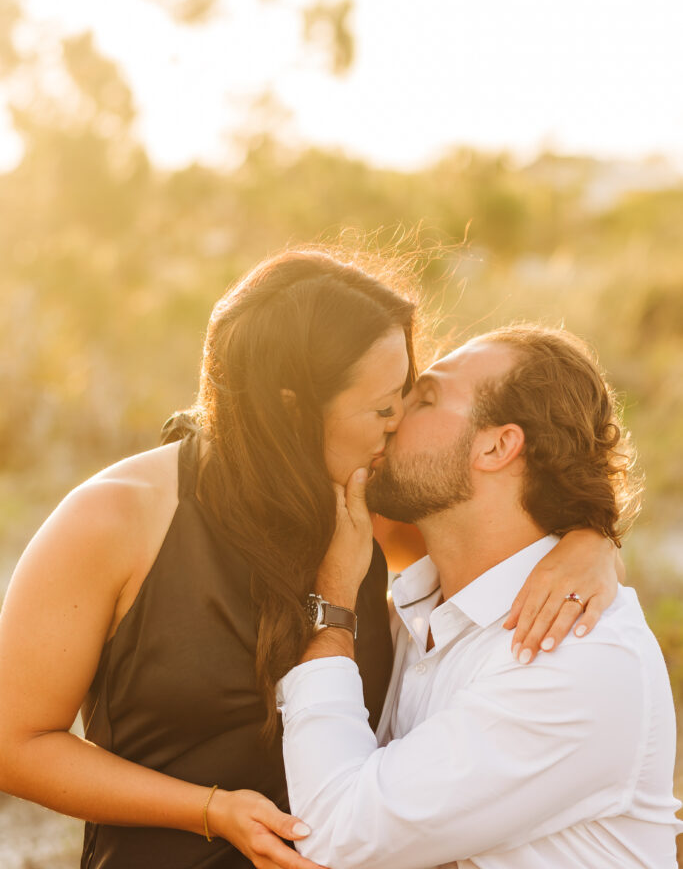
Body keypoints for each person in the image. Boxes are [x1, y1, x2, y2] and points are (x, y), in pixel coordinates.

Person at [0, 253, 621, 869]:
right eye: (382, 409)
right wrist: (209, 811)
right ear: (292, 405)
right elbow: (15, 743)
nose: (399, 424)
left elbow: (499, 526)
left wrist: (590, 542)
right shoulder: (113, 519)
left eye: (405, 396)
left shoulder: (369, 506)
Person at [279, 324, 682, 869]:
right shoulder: (430, 608)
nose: (393, 415)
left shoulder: (570, 653)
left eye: (424, 398)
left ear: (497, 445)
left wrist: (331, 612)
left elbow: (336, 836)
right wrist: (597, 540)